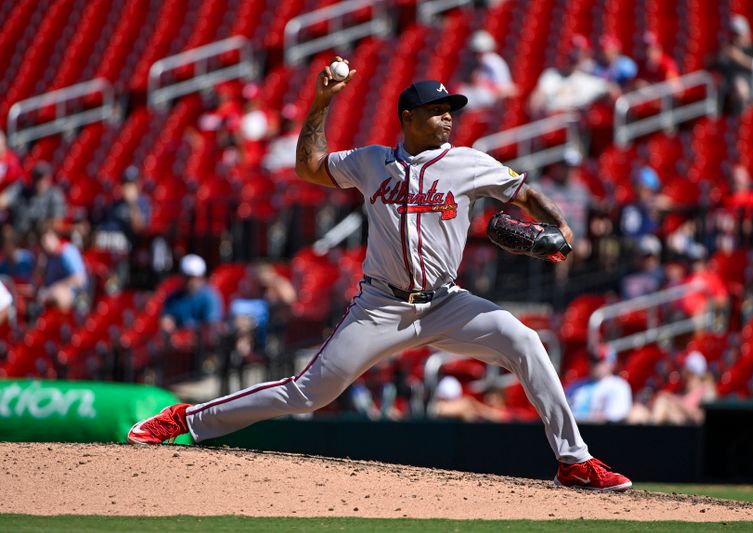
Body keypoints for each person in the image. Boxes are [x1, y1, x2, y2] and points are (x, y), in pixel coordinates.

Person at [128, 57, 632, 492]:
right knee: (310, 393)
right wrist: (322, 102)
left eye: (450, 111)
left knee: (524, 340)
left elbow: (523, 193)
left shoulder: (467, 163)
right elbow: (309, 167)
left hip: (446, 303)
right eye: (437, 111)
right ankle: (185, 419)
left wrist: (559, 224)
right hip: (381, 306)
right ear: (409, 117)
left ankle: (574, 461)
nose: (447, 119)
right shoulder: (371, 162)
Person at [628, 351, 716, 424]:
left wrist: (672, 399)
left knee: (662, 403)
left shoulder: (706, 389)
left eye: (683, 367)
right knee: (637, 411)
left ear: (690, 371)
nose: (680, 370)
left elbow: (700, 417)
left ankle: (651, 431)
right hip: (672, 422)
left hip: (689, 429)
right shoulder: (683, 388)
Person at [529, 39, 610, 116]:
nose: (574, 56)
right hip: (552, 121)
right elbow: (534, 104)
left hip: (575, 124)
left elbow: (612, 91)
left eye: (580, 53)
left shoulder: (591, 81)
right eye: (572, 53)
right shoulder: (551, 75)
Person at [710, 14, 753, 114]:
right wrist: (720, 55)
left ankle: (744, 117)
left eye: (737, 34)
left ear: (746, 34)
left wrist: (740, 58)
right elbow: (708, 64)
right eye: (732, 35)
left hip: (749, 89)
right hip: (726, 92)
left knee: (740, 85)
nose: (734, 38)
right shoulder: (726, 51)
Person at [565, 346, 633, 423]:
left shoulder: (619, 386)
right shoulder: (576, 385)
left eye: (599, 360)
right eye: (592, 360)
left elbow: (617, 416)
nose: (594, 364)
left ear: (611, 363)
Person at [160, 254, 223, 334]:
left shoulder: (210, 297)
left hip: (202, 344)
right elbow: (167, 320)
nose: (189, 282)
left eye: (192, 278)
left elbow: (212, 327)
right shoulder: (173, 298)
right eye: (186, 277)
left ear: (201, 277)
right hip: (178, 344)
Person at [455, 30, 517, 110]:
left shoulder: (492, 61)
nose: (476, 55)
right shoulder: (481, 64)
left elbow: (504, 88)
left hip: (496, 97)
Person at [39, 226, 88, 311]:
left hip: (74, 293)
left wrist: (58, 286)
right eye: (43, 241)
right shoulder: (48, 257)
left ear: (54, 237)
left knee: (58, 294)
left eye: (46, 240)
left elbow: (80, 279)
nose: (45, 244)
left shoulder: (68, 252)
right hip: (50, 291)